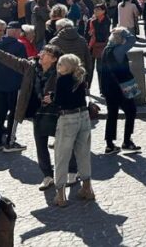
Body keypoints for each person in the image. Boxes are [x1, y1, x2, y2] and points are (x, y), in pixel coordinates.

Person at [0, 41, 77, 194]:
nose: (41, 54)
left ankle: (72, 171)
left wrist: (54, 98)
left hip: (57, 113)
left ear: (54, 59)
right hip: (37, 112)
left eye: (46, 54)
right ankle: (47, 175)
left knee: (64, 144)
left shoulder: (61, 71)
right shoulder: (31, 66)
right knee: (40, 145)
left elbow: (71, 89)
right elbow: (13, 61)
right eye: (42, 52)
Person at [50, 53, 94, 207]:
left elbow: (60, 101)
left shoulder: (62, 80)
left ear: (67, 67)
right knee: (83, 154)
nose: (58, 67)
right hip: (84, 116)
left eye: (60, 64)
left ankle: (61, 195)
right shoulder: (80, 77)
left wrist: (51, 98)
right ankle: (87, 188)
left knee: (62, 156)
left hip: (68, 118)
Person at [99, 28, 139, 154]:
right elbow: (132, 39)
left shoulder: (106, 49)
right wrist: (124, 31)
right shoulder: (118, 50)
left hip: (108, 87)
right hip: (121, 87)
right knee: (131, 111)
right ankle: (127, 141)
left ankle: (109, 144)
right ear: (121, 39)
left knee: (112, 114)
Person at [0, 21, 27, 153]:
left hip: (0, 84)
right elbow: (24, 66)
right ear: (17, 31)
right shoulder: (20, 46)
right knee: (13, 114)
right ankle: (10, 143)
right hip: (15, 85)